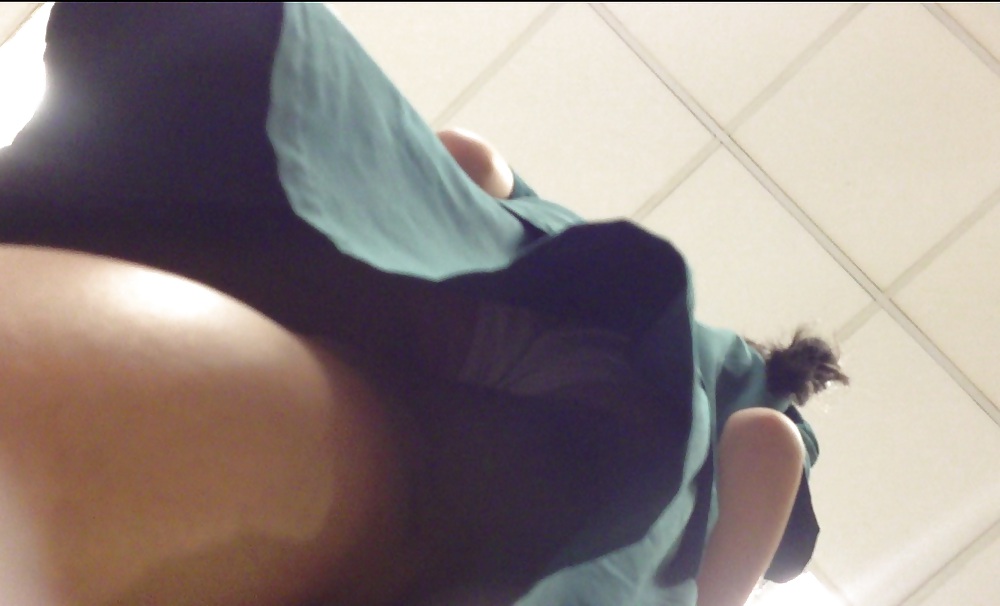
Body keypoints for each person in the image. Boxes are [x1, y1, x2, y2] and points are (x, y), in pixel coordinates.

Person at [0, 3, 847, 605]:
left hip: (492, 276)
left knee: (227, 247)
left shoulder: (668, 320)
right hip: (587, 415)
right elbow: (766, 445)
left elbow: (472, 158)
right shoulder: (764, 406)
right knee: (418, 492)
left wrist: (418, 197)